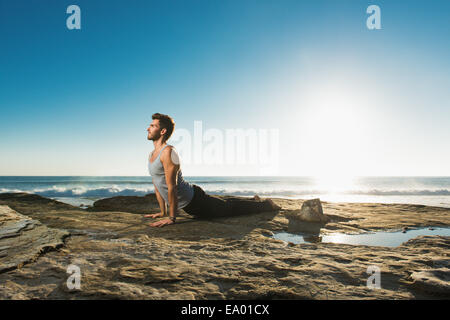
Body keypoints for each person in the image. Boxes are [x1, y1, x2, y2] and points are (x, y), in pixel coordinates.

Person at [145, 113, 281, 228]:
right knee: (225, 204)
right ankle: (253, 199)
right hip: (191, 200)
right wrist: (163, 212)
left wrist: (172, 218)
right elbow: (157, 185)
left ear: (163, 131)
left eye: (152, 126)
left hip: (194, 201)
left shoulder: (168, 152)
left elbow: (172, 187)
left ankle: (267, 205)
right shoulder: (151, 155)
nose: (148, 128)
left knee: (229, 209)